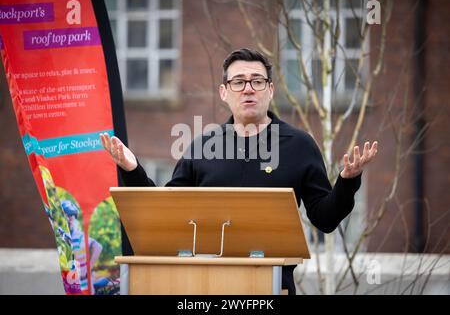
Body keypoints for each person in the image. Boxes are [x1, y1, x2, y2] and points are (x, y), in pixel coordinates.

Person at [100, 48, 378, 295]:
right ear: (224, 92)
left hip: (273, 286)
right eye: (238, 82)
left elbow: (325, 218)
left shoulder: (299, 145)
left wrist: (347, 181)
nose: (248, 89)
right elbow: (166, 215)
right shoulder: (203, 146)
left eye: (257, 81)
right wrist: (132, 169)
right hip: (203, 288)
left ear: (271, 90)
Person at [61, 199, 103, 294]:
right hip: (71, 282)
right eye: (67, 216)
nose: (69, 219)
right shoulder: (64, 236)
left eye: (71, 216)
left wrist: (89, 267)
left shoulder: (79, 236)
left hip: (83, 282)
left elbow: (98, 247)